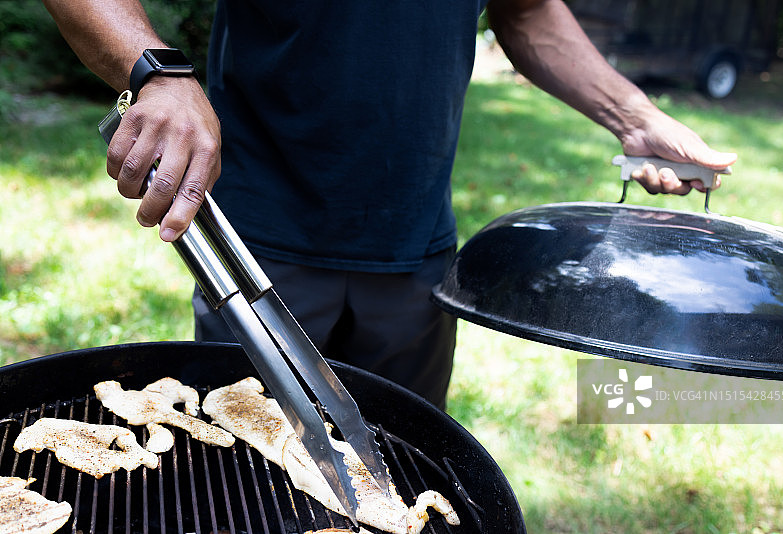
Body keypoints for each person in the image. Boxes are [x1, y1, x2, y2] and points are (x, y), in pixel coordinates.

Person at [42, 0, 737, 409]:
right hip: (262, 248)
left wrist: (633, 116)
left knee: (397, 474)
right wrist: (156, 73)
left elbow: (524, 10)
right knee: (245, 473)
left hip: (418, 246)